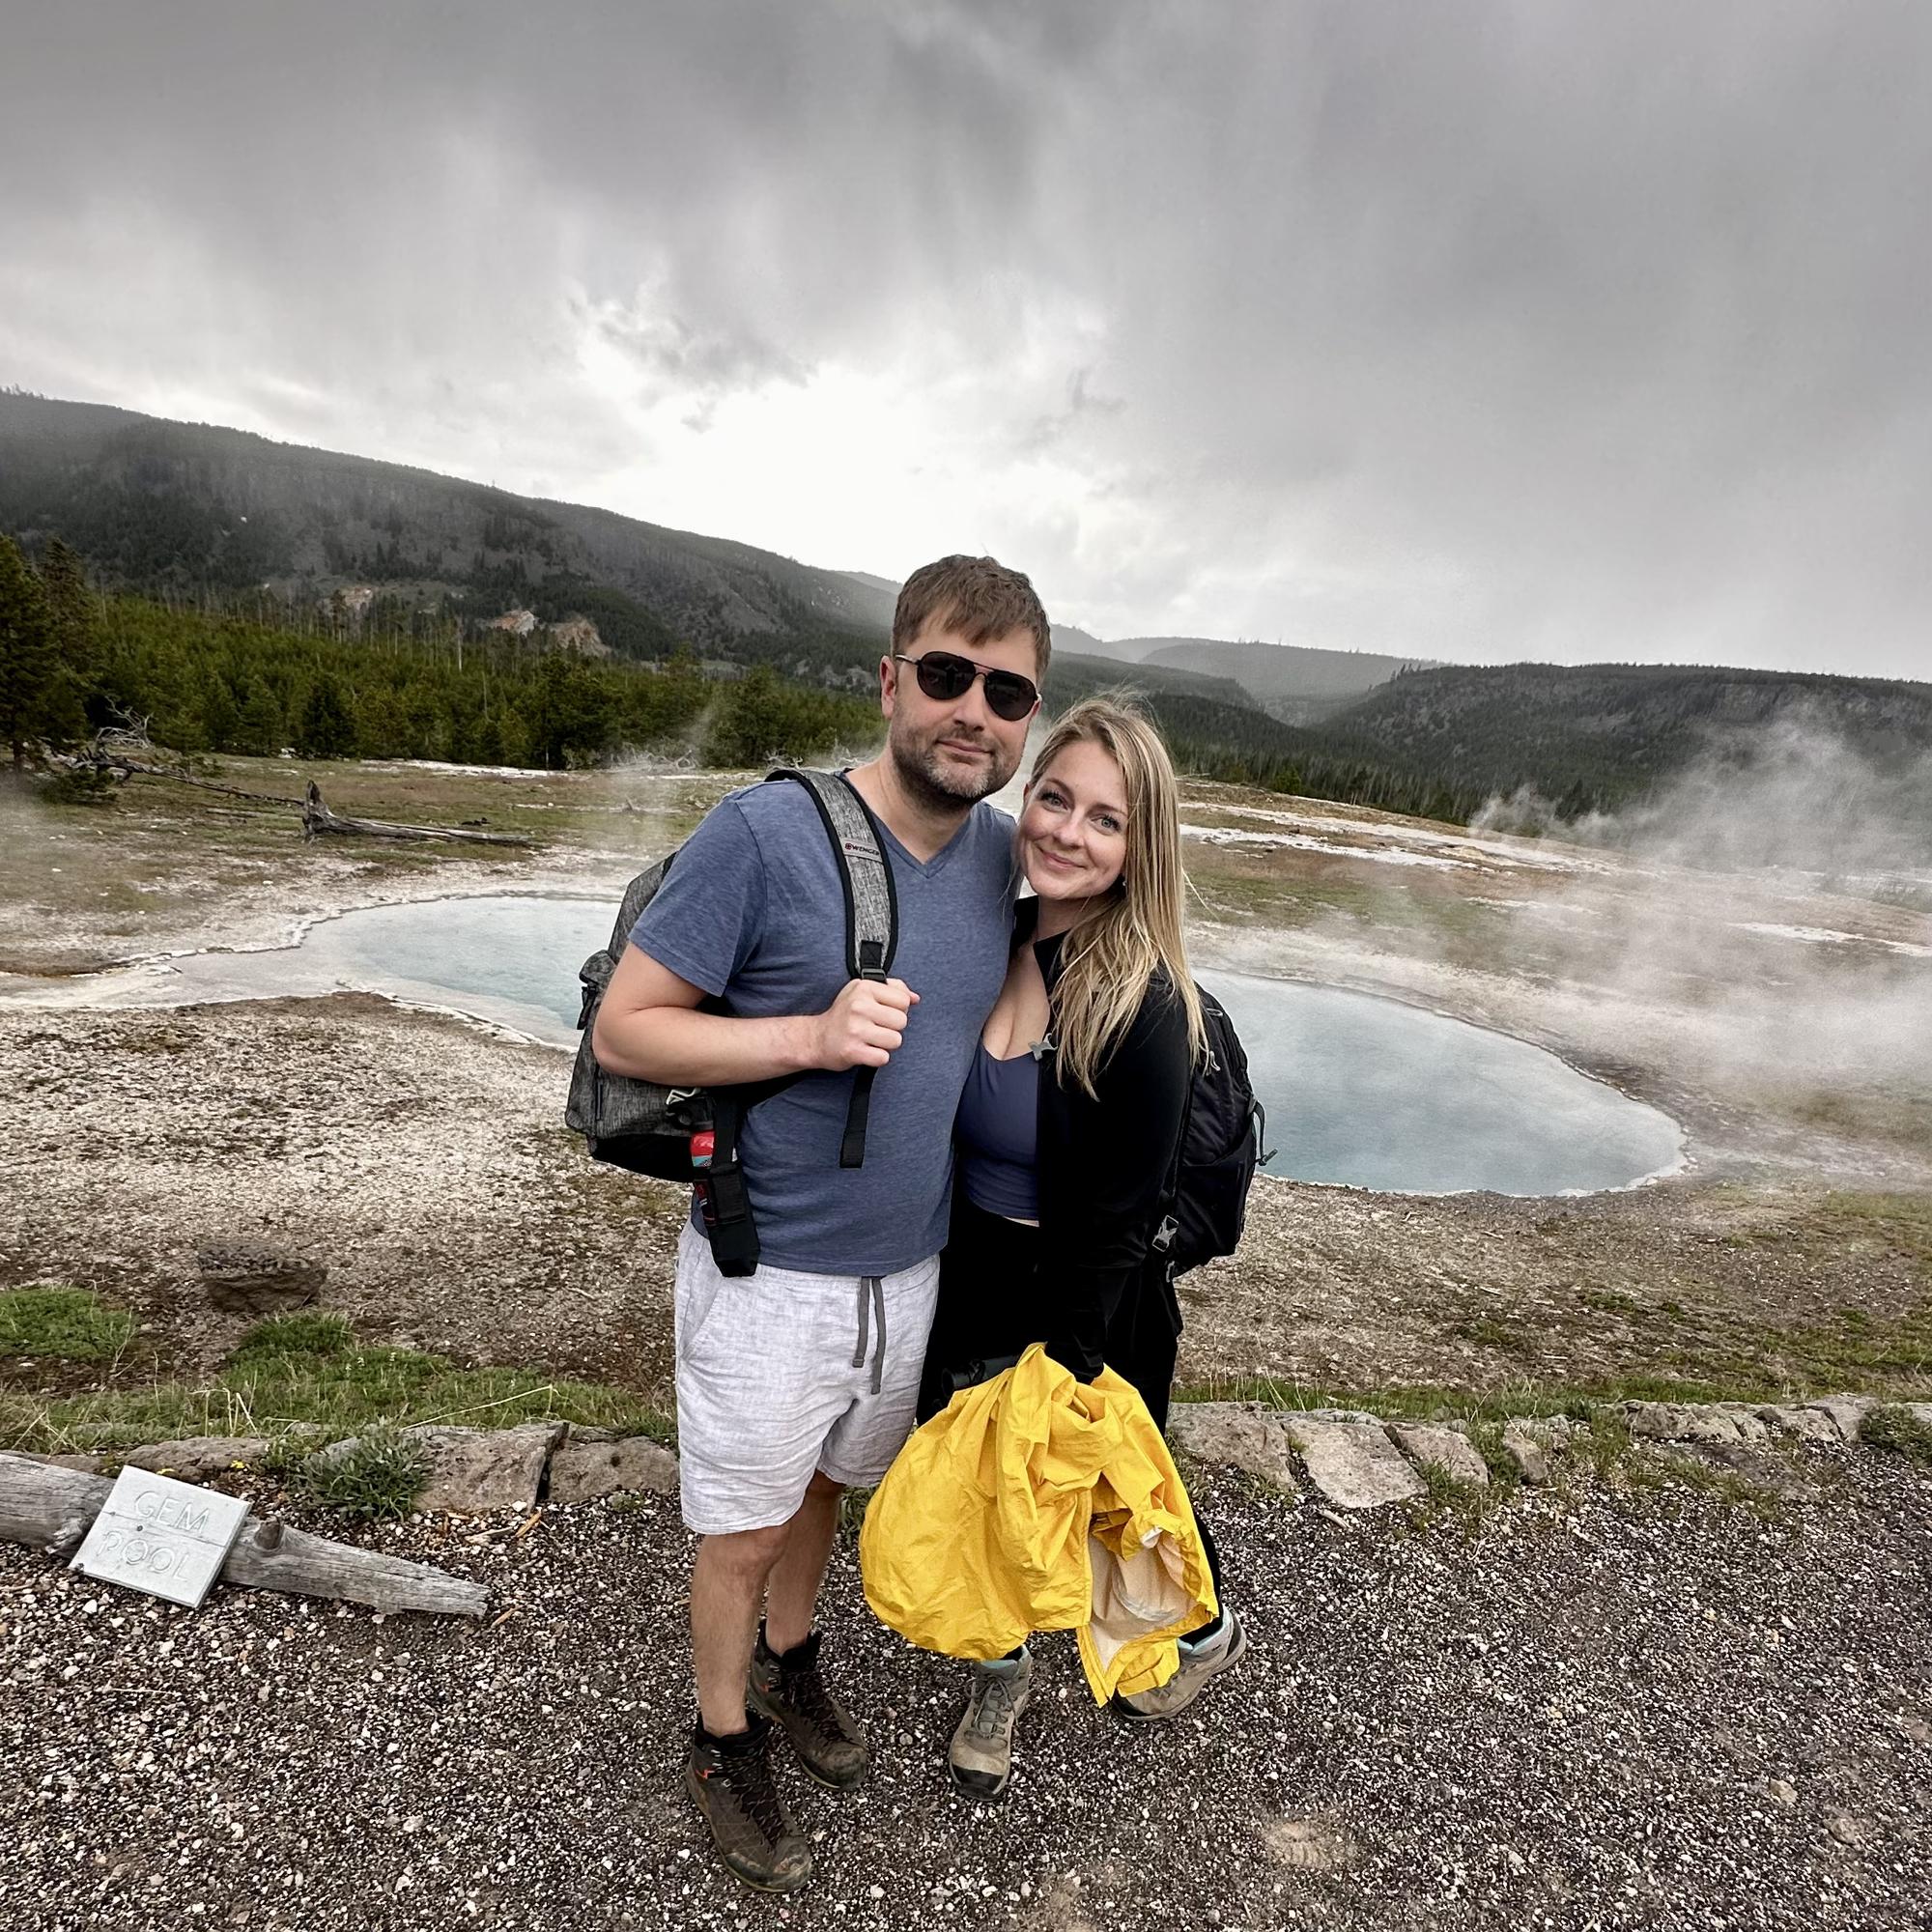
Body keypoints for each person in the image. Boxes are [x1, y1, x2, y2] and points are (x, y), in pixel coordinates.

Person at [591, 555, 1048, 1893]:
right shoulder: (762, 835)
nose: (977, 711)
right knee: (738, 1528)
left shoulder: (1003, 860)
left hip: (908, 1272)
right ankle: (719, 1733)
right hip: (767, 1269)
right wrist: (806, 1033)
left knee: (826, 1493)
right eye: (952, 674)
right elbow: (630, 1025)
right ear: (892, 677)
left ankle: (794, 1667)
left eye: (1008, 690)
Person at [916, 695, 1245, 1802]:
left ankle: (1200, 1632)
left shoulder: (1144, 999)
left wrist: (1064, 1362)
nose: (1066, 830)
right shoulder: (991, 935)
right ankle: (998, 1678)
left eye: (1105, 819)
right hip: (963, 1277)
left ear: (1137, 847)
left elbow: (1117, 1214)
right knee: (980, 1505)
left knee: (1098, 1505)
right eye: (1053, 797)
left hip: (1084, 1302)